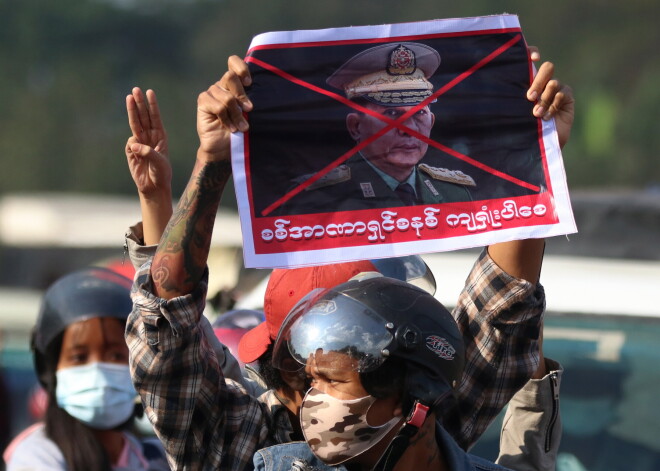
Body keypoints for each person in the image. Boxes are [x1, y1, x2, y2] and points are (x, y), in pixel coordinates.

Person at [124, 42, 573, 469]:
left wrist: (531, 148)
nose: (308, 394)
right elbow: (168, 324)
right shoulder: (245, 451)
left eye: (334, 373)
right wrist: (215, 160)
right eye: (304, 375)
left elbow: (500, 309)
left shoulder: (417, 420)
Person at [276, 41, 547, 214]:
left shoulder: (455, 191)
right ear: (355, 126)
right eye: (392, 114)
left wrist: (545, 141)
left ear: (432, 122)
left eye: (419, 114)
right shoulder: (321, 197)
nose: (408, 129)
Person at [3, 268, 169, 471]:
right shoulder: (37, 456)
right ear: (50, 370)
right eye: (79, 357)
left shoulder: (156, 457)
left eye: (115, 355)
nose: (98, 370)